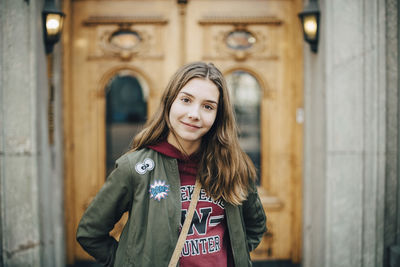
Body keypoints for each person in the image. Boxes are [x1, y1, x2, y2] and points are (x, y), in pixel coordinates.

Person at [76, 62, 267, 267]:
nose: (194, 114)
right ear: (169, 102)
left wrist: (233, 257)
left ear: (218, 116)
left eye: (208, 106)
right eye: (186, 100)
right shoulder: (134, 168)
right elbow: (90, 233)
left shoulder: (233, 167)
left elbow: (255, 226)